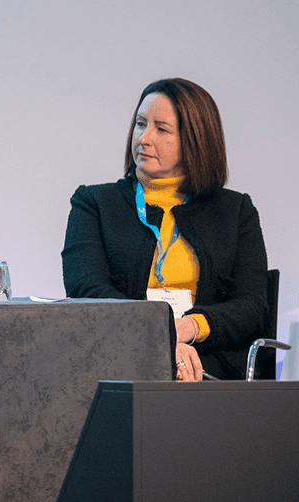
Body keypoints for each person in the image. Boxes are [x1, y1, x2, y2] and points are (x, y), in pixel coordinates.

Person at [62, 78, 269, 381]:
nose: (143, 138)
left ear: (195, 140)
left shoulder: (237, 211)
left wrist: (188, 329)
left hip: (210, 362)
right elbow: (86, 290)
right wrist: (158, 338)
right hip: (121, 356)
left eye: (161, 129)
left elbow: (251, 307)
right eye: (140, 124)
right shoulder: (93, 203)